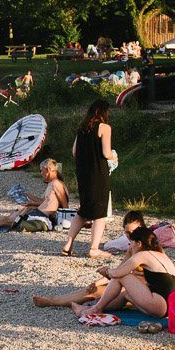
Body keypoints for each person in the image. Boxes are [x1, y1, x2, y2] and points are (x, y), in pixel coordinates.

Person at [72, 224, 175, 321]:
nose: (130, 247)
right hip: (169, 307)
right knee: (126, 293)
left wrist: (107, 271)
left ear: (139, 243)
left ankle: (96, 308)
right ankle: (90, 307)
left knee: (122, 277)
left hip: (159, 305)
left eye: (130, 243)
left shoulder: (142, 255)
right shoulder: (160, 254)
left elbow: (118, 273)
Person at [0, 159, 70, 235]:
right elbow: (43, 201)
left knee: (6, 221)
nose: (41, 173)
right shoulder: (52, 184)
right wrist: (27, 195)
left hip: (42, 217)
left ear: (49, 169)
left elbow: (65, 206)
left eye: (42, 170)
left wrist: (64, 223)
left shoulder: (57, 184)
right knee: (7, 218)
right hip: (38, 213)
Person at [65, 99, 115, 259]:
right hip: (98, 173)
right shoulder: (105, 128)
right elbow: (106, 153)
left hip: (83, 173)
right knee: (100, 212)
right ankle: (94, 248)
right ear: (104, 112)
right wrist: (114, 155)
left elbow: (74, 151)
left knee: (83, 210)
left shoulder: (82, 129)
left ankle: (68, 244)